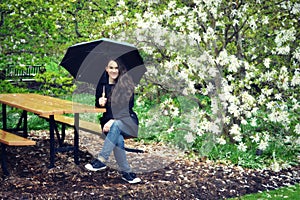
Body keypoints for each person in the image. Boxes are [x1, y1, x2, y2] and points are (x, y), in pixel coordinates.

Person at [85, 59, 141, 184]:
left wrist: (113, 120)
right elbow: (99, 108)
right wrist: (100, 103)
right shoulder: (102, 85)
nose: (114, 71)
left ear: (120, 70)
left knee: (115, 126)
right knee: (118, 139)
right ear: (106, 68)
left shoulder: (126, 84)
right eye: (111, 68)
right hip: (108, 125)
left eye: (116, 68)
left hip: (127, 122)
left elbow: (128, 109)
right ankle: (127, 173)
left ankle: (102, 159)